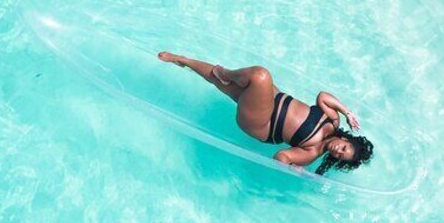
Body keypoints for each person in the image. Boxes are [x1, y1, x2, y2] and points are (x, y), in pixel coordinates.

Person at [157, 52, 373, 174]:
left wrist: (294, 170)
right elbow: (323, 97)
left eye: (339, 156)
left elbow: (281, 156)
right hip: (274, 99)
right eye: (344, 148)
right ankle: (183, 61)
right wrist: (346, 112)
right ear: (347, 139)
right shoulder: (333, 122)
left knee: (260, 76)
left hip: (263, 123)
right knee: (220, 83)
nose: (337, 151)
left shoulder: (312, 152)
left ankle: (229, 73)